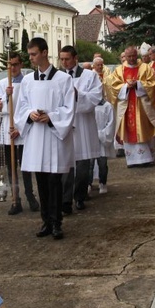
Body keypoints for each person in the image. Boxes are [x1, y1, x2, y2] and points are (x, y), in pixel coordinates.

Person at [14, 37, 75, 240]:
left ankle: (57, 222)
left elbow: (69, 108)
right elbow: (21, 106)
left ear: (44, 52)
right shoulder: (28, 81)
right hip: (36, 137)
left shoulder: (64, 80)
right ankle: (46, 221)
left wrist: (51, 117)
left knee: (54, 180)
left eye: (33, 54)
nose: (30, 58)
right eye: (29, 54)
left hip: (53, 135)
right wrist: (30, 114)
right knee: (41, 180)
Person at [0, 51, 39, 214]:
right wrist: (6, 96)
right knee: (11, 167)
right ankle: (15, 199)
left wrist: (21, 126)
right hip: (8, 127)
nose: (12, 67)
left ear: (20, 65)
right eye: (9, 65)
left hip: (23, 127)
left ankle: (30, 195)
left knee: (26, 165)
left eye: (15, 64)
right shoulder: (2, 83)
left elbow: (30, 103)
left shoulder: (27, 82)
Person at [59, 45, 103, 213]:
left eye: (67, 59)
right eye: (61, 59)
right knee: (67, 165)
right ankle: (65, 200)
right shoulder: (59, 77)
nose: (64, 62)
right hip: (66, 124)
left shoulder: (89, 76)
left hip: (83, 123)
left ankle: (79, 196)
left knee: (83, 164)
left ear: (75, 58)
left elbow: (96, 97)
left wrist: (78, 94)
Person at [108, 45, 155, 167]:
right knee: (128, 129)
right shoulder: (119, 70)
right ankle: (132, 160)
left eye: (133, 56)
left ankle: (147, 159)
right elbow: (113, 86)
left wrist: (138, 84)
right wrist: (126, 86)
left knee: (144, 128)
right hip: (126, 106)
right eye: (129, 56)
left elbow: (152, 84)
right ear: (125, 57)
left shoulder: (145, 68)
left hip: (142, 106)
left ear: (137, 56)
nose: (131, 58)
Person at [91, 97, 115, 194]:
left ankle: (102, 182)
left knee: (102, 163)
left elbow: (111, 123)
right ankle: (88, 183)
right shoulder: (87, 106)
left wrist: (101, 134)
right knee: (89, 164)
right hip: (90, 139)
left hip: (101, 139)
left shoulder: (107, 106)